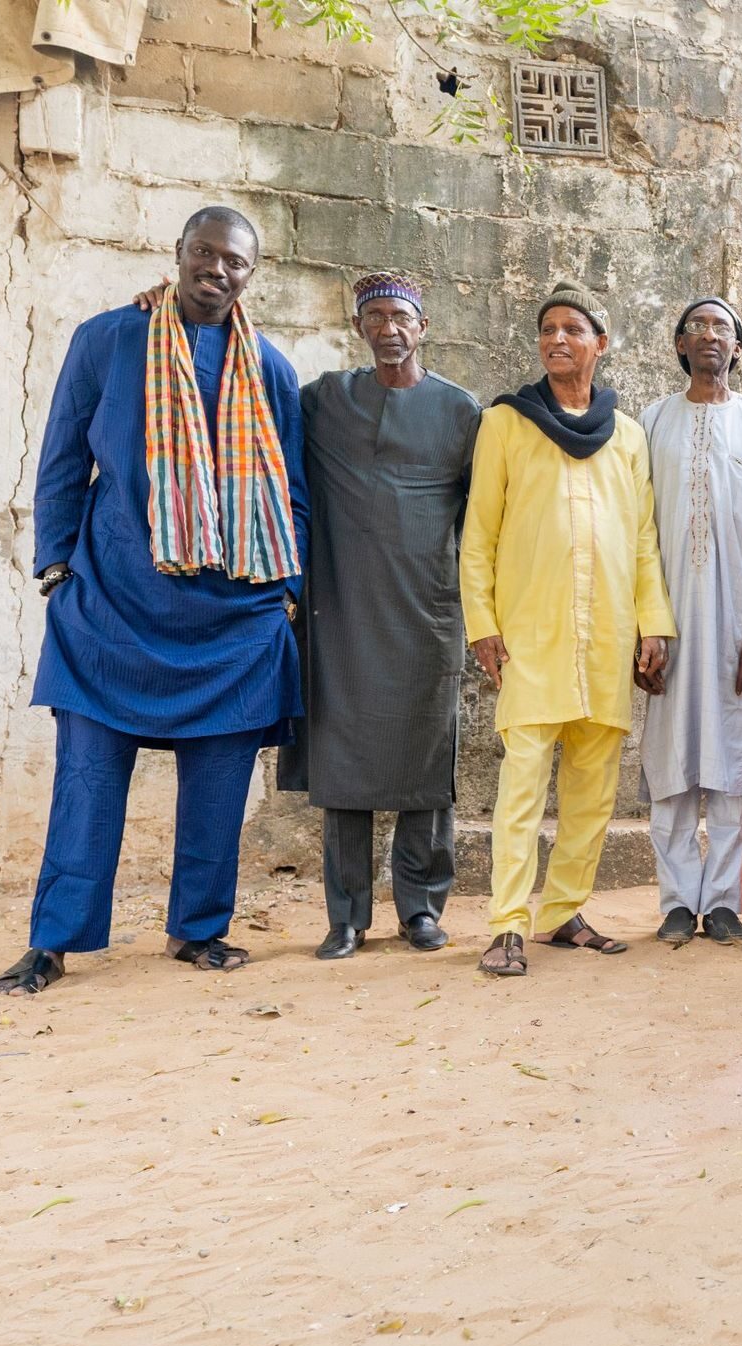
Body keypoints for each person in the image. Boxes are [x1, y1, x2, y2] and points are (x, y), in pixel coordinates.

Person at [0, 206, 306, 995]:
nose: (218, 269)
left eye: (235, 261)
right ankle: (53, 942)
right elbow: (62, 459)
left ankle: (198, 930)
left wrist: (286, 596)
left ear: (250, 274)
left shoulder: (269, 367)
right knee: (87, 781)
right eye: (205, 252)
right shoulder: (107, 339)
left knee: (219, 785)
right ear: (177, 255)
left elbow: (294, 492)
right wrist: (56, 569)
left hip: (232, 620)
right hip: (109, 608)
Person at [460, 282, 675, 978]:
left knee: (593, 790)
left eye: (572, 329)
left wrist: (654, 626)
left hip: (608, 638)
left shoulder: (629, 435)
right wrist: (483, 626)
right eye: (547, 328)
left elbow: (643, 539)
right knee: (522, 785)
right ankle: (506, 924)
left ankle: (563, 912)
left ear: (600, 343)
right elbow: (478, 535)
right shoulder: (505, 423)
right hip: (532, 636)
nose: (557, 338)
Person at [280, 272, 480, 960]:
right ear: (359, 328)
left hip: (426, 612)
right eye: (375, 318)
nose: (388, 329)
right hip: (343, 611)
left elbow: (485, 521)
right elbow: (254, 396)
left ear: (423, 327)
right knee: (344, 767)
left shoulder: (461, 411)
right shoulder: (325, 401)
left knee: (427, 764)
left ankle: (420, 909)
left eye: (400, 317)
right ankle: (346, 917)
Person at [638, 298, 742, 946]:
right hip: (668, 622)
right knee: (669, 762)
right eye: (697, 327)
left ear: (738, 348)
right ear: (680, 345)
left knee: (735, 761)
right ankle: (678, 901)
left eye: (722, 329)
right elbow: (638, 530)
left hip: (739, 626)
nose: (709, 335)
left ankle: (724, 901)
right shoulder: (651, 421)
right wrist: (644, 625)